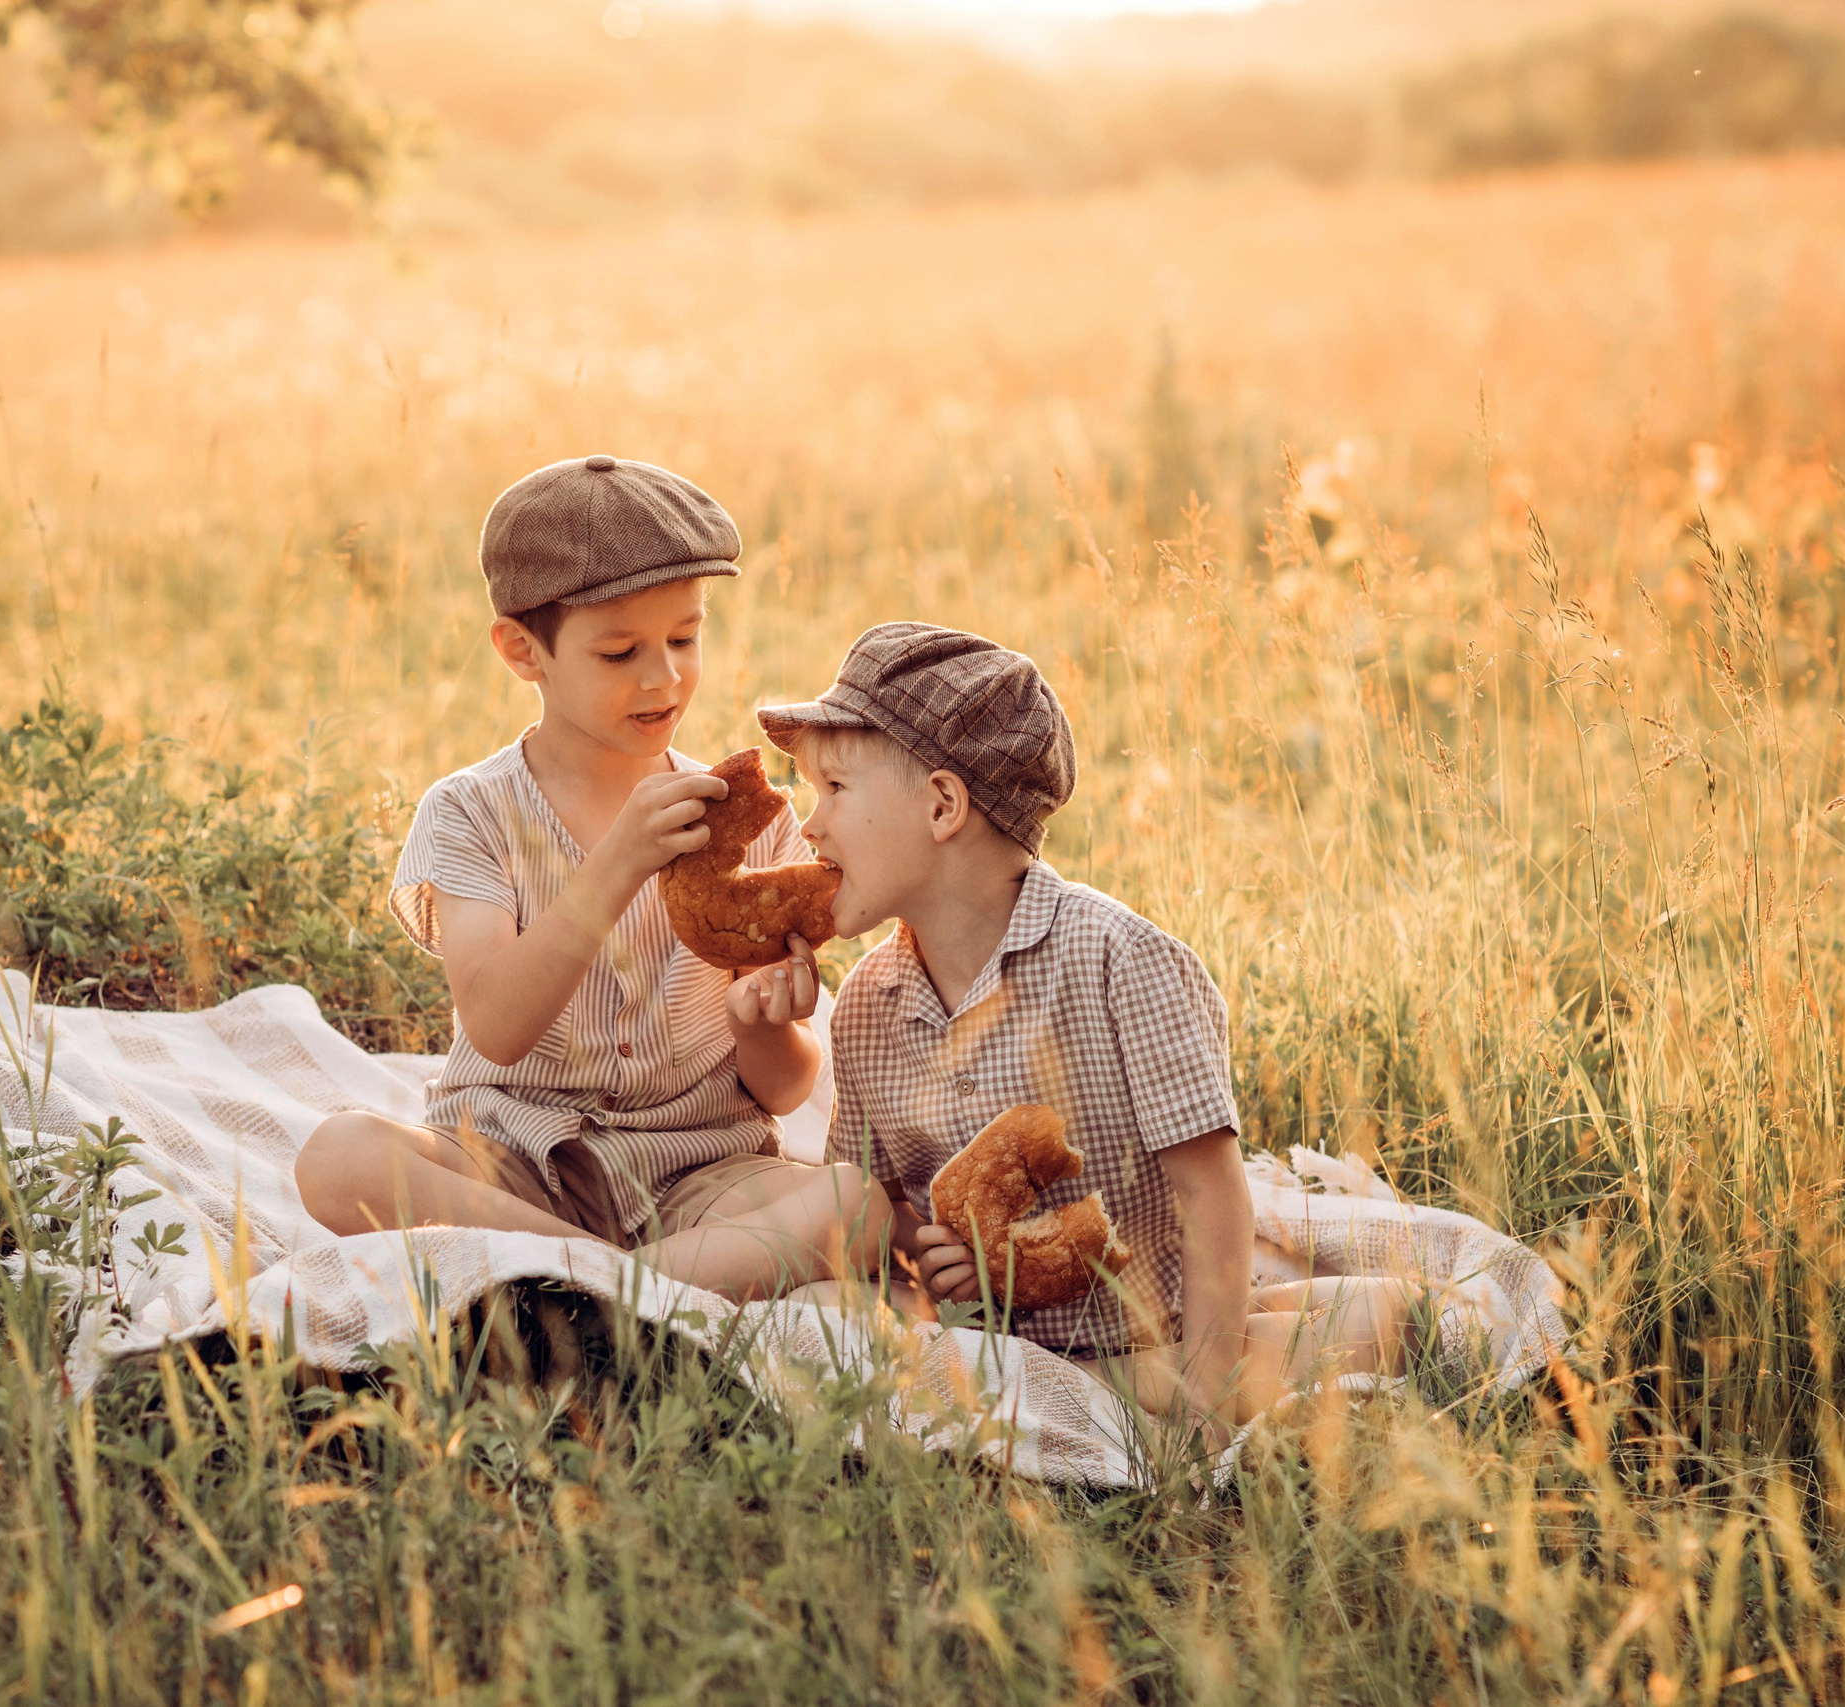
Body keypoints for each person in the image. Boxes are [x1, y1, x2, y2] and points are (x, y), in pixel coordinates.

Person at [760, 622, 1418, 1434]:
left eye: (833, 788)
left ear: (941, 804)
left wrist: (1210, 1381)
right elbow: (880, 1205)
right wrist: (936, 1253)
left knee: (1383, 1314)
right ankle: (1084, 1394)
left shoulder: (1121, 964)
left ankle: (1115, 1392)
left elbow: (1209, 1188)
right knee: (818, 1312)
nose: (810, 824)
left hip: (1158, 1328)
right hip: (987, 1332)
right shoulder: (867, 1002)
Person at [293, 455, 889, 1300]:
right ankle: (624, 1285)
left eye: (685, 638)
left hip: (697, 1167)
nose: (664, 676)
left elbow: (785, 1087)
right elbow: (495, 1024)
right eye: (619, 652)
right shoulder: (471, 811)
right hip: (513, 1163)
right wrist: (615, 866)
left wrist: (764, 1026)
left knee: (856, 1204)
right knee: (338, 1154)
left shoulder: (744, 818)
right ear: (521, 650)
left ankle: (585, 1286)